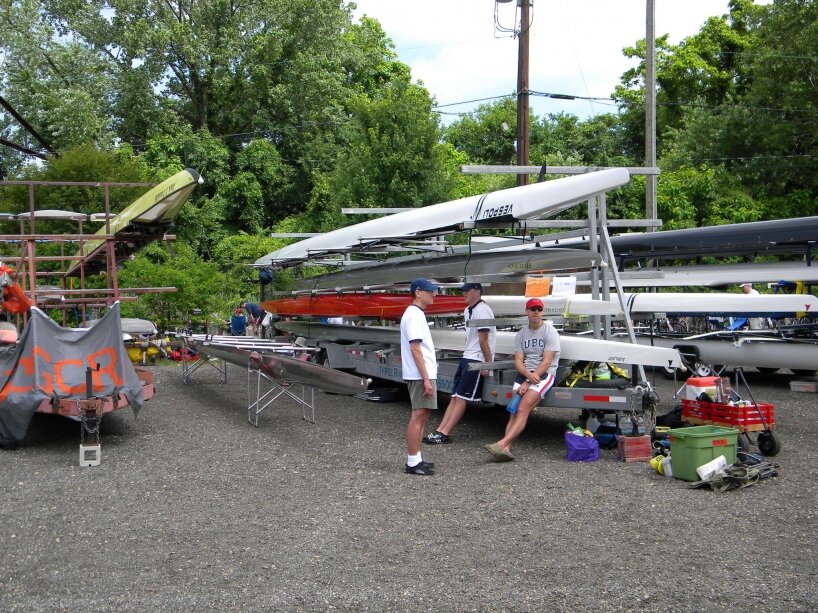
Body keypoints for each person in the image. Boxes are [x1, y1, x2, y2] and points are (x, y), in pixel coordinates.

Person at [484, 297, 561, 463]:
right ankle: (506, 450)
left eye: (539, 309)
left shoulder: (550, 332)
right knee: (513, 409)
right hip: (526, 373)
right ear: (527, 311)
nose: (536, 312)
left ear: (542, 312)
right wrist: (526, 376)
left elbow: (547, 362)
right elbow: (518, 361)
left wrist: (528, 382)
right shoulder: (521, 334)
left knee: (523, 408)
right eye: (533, 309)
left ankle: (502, 443)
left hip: (544, 374)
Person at [423, 282, 496, 445]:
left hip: (476, 358)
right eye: (463, 291)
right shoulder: (468, 310)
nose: (464, 294)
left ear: (477, 291)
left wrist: (487, 364)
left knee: (461, 397)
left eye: (467, 291)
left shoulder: (483, 310)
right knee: (455, 396)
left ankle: (445, 433)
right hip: (468, 356)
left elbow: (484, 340)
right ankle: (440, 430)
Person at [400, 277, 439, 476]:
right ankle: (412, 461)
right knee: (419, 415)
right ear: (418, 292)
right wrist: (425, 378)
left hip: (420, 373)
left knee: (423, 415)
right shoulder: (414, 315)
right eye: (429, 291)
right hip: (419, 374)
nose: (434, 294)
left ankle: (417, 457)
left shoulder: (416, 313)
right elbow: (415, 348)